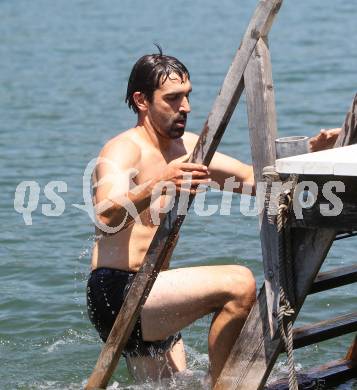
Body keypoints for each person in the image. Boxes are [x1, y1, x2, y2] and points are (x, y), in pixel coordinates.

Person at [86, 48, 341, 385]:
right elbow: (104, 214)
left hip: (155, 294)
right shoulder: (123, 148)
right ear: (142, 100)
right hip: (118, 291)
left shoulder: (190, 149)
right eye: (173, 98)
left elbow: (253, 179)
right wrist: (158, 182)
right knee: (237, 284)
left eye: (188, 96)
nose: (186, 108)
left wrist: (311, 153)